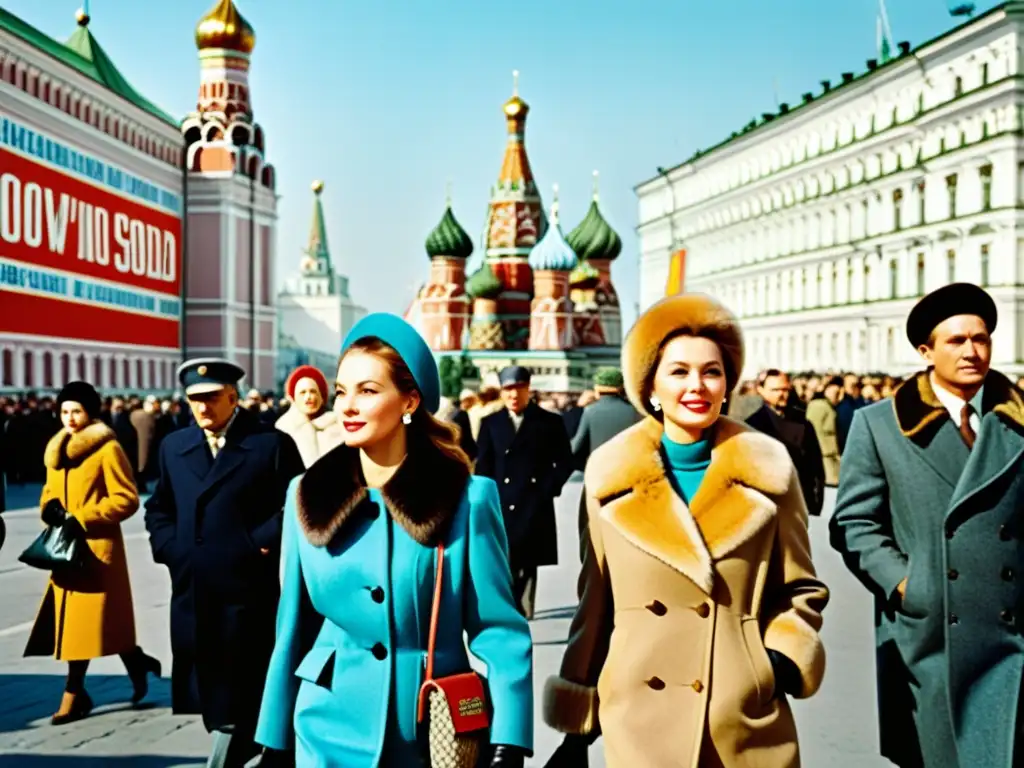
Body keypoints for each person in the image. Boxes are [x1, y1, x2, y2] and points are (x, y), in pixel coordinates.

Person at [543, 293, 829, 768]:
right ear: (650, 385)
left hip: (742, 723)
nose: (697, 385)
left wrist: (773, 665)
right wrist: (577, 731)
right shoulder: (609, 476)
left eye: (711, 371)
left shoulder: (769, 469)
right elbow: (595, 609)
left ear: (727, 383)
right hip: (638, 722)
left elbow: (801, 590)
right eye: (678, 371)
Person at [254, 313, 533, 767]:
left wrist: (510, 739)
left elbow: (498, 630)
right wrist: (272, 739)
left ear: (409, 401)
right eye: (342, 391)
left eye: (367, 391)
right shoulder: (306, 494)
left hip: (427, 730)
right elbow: (292, 628)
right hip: (323, 725)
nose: (346, 406)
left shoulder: (467, 498)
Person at [830, 283, 1024, 768]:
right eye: (956, 341)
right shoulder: (880, 424)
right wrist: (906, 584)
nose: (971, 351)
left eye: (981, 339)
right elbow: (854, 521)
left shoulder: (1016, 422)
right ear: (926, 351)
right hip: (929, 636)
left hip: (1011, 631)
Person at [144, 359, 304, 768]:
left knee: (244, 681)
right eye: (194, 400)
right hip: (193, 586)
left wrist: (258, 543)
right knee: (206, 683)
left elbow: (297, 502)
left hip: (247, 586)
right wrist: (170, 548)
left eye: (212, 398)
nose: (202, 408)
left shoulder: (270, 444)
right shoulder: (175, 447)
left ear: (233, 397)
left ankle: (248, 746)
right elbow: (159, 507)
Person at [24, 381, 161, 725]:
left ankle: (74, 692)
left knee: (94, 623)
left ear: (90, 413)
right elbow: (48, 492)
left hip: (98, 551)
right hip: (65, 552)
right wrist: (49, 510)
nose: (70, 418)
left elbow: (127, 498)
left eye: (77, 411)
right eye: (65, 411)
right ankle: (136, 663)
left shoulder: (106, 449)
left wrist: (82, 517)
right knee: (86, 626)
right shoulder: (55, 451)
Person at [475, 365, 573, 619]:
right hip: (501, 501)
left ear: (528, 389)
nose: (513, 396)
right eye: (508, 390)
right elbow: (483, 464)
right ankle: (508, 606)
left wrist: (547, 489)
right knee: (504, 558)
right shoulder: (491, 423)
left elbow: (564, 462)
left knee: (529, 559)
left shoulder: (549, 422)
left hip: (533, 501)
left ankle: (526, 607)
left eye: (518, 389)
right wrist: (484, 497)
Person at [570, 367, 642, 561]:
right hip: (628, 483)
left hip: (597, 481)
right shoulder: (634, 413)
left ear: (598, 388)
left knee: (592, 534)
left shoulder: (590, 412)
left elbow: (576, 447)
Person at [746, 369, 826, 516]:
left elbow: (816, 469)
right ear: (761, 390)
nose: (781, 394)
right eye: (775, 390)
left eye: (785, 389)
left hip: (801, 506)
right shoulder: (751, 426)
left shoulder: (803, 424)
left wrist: (815, 505)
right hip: (766, 509)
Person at [275, 364, 344, 468]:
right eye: (302, 393)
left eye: (313, 391)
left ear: (322, 396)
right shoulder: (284, 428)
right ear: (293, 398)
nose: (309, 397)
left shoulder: (339, 427)